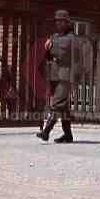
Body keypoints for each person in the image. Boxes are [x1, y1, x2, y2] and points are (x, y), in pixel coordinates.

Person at [36, 9, 78, 143]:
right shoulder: (53, 37)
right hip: (54, 75)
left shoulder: (73, 38)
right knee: (63, 107)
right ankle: (68, 135)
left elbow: (78, 59)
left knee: (57, 104)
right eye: (57, 21)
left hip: (66, 76)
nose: (59, 23)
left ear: (67, 23)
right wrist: (47, 48)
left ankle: (46, 131)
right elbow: (49, 57)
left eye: (61, 21)